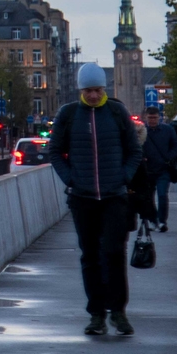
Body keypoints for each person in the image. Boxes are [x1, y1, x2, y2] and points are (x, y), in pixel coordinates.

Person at [49, 63, 142, 336]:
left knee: (114, 252)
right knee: (90, 256)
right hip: (82, 197)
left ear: (104, 89)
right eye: (88, 90)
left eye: (97, 89)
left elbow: (134, 151)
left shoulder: (116, 112)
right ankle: (97, 314)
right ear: (81, 90)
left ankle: (119, 312)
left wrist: (123, 177)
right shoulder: (68, 115)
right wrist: (71, 179)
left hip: (114, 196)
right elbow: (55, 152)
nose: (92, 95)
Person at [141, 105, 177, 229]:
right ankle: (154, 220)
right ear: (146, 118)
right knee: (148, 198)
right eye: (150, 118)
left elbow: (176, 145)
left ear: (159, 117)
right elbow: (135, 147)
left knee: (162, 195)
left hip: (163, 169)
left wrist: (169, 157)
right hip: (147, 170)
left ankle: (162, 220)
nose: (152, 120)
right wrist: (142, 157)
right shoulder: (141, 131)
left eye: (154, 117)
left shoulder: (168, 130)